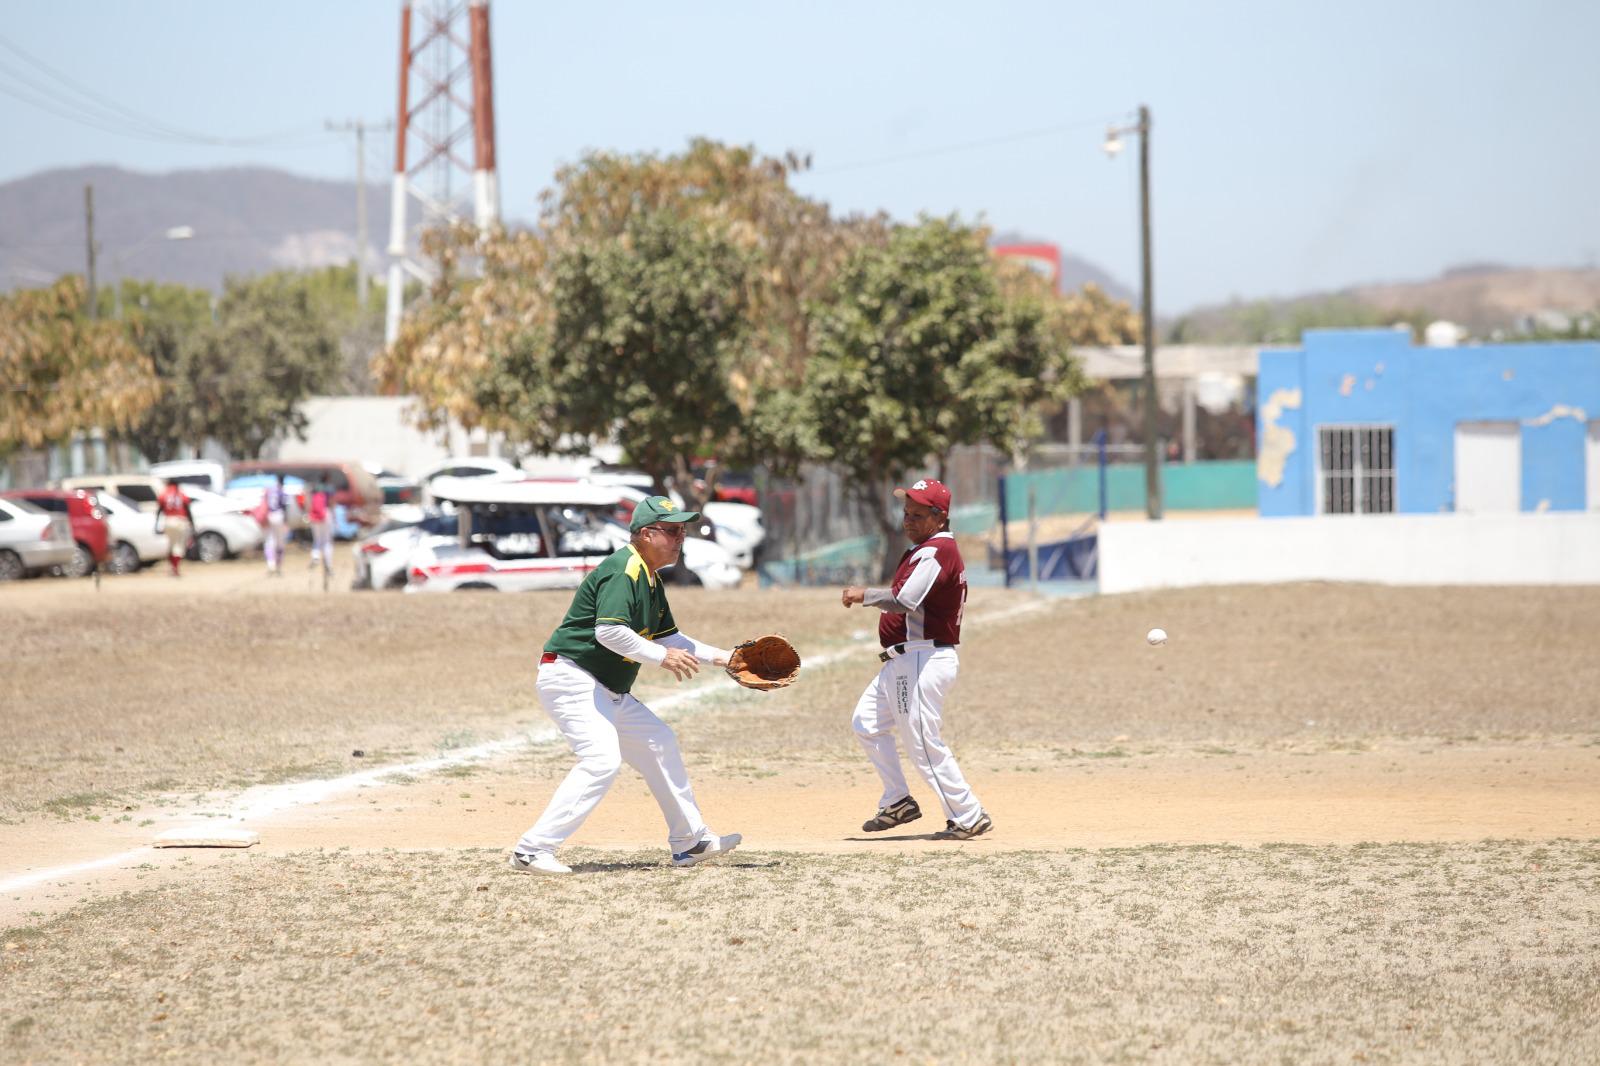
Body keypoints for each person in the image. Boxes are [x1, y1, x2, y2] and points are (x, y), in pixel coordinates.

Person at [509, 495, 742, 876]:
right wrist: (659, 657)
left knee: (659, 741)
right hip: (572, 676)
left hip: (604, 686)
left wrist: (724, 657)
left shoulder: (649, 578)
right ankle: (532, 850)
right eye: (671, 531)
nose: (680, 538)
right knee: (601, 759)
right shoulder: (625, 570)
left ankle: (690, 842)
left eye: (682, 530)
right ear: (646, 534)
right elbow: (608, 632)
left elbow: (671, 638)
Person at [841, 478, 992, 840]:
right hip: (903, 661)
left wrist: (864, 594)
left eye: (918, 514)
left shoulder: (938, 550)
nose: (907, 520)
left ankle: (967, 815)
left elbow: (905, 600)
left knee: (924, 743)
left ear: (940, 518)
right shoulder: (925, 548)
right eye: (906, 512)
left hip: (922, 659)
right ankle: (898, 801)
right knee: (866, 722)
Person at [154, 481, 196, 578]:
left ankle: (172, 567)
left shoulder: (164, 493)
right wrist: (192, 524)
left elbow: (159, 510)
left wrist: (156, 524)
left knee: (171, 545)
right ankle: (175, 568)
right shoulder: (181, 494)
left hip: (168, 521)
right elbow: (187, 510)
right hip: (180, 521)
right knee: (178, 546)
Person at [263, 474, 290, 576]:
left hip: (270, 515)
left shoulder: (270, 490)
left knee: (270, 540)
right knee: (280, 542)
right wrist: (286, 522)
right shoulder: (282, 491)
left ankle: (271, 564)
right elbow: (284, 507)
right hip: (279, 516)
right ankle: (278, 566)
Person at [306, 481, 333, 581]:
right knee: (326, 542)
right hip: (325, 516)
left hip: (314, 517)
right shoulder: (328, 490)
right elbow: (332, 503)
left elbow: (307, 505)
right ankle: (328, 564)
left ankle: (315, 556)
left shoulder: (310, 490)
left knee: (317, 540)